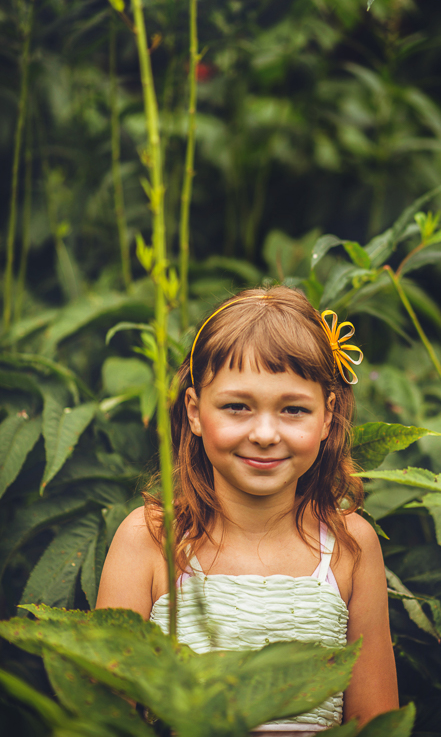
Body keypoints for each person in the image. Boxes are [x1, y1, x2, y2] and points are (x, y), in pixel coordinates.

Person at [96, 286, 399, 734]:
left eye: (293, 409)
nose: (264, 433)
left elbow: (375, 722)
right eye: (237, 407)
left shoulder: (350, 547)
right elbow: (101, 713)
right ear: (195, 412)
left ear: (327, 416)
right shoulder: (149, 539)